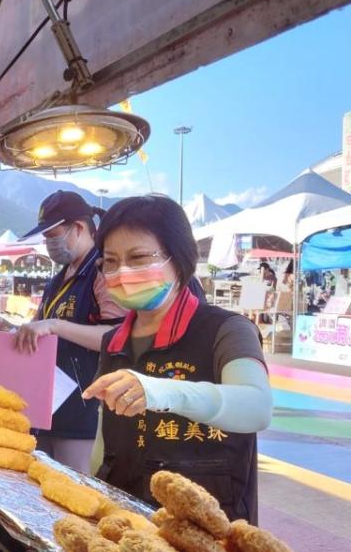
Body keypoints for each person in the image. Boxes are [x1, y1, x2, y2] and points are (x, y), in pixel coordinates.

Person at [82, 195, 272, 523]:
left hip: (207, 527)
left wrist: (161, 392)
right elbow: (105, 435)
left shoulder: (227, 330)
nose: (122, 272)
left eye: (138, 257)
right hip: (126, 520)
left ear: (179, 258)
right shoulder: (113, 341)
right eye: (110, 261)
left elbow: (256, 407)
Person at [0, 191, 126, 472]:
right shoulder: (58, 278)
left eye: (52, 235)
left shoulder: (102, 272)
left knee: (74, 494)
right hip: (44, 408)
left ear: (79, 228)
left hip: (82, 414)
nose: (48, 244)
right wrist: (8, 327)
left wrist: (55, 326)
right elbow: (38, 330)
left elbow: (115, 338)